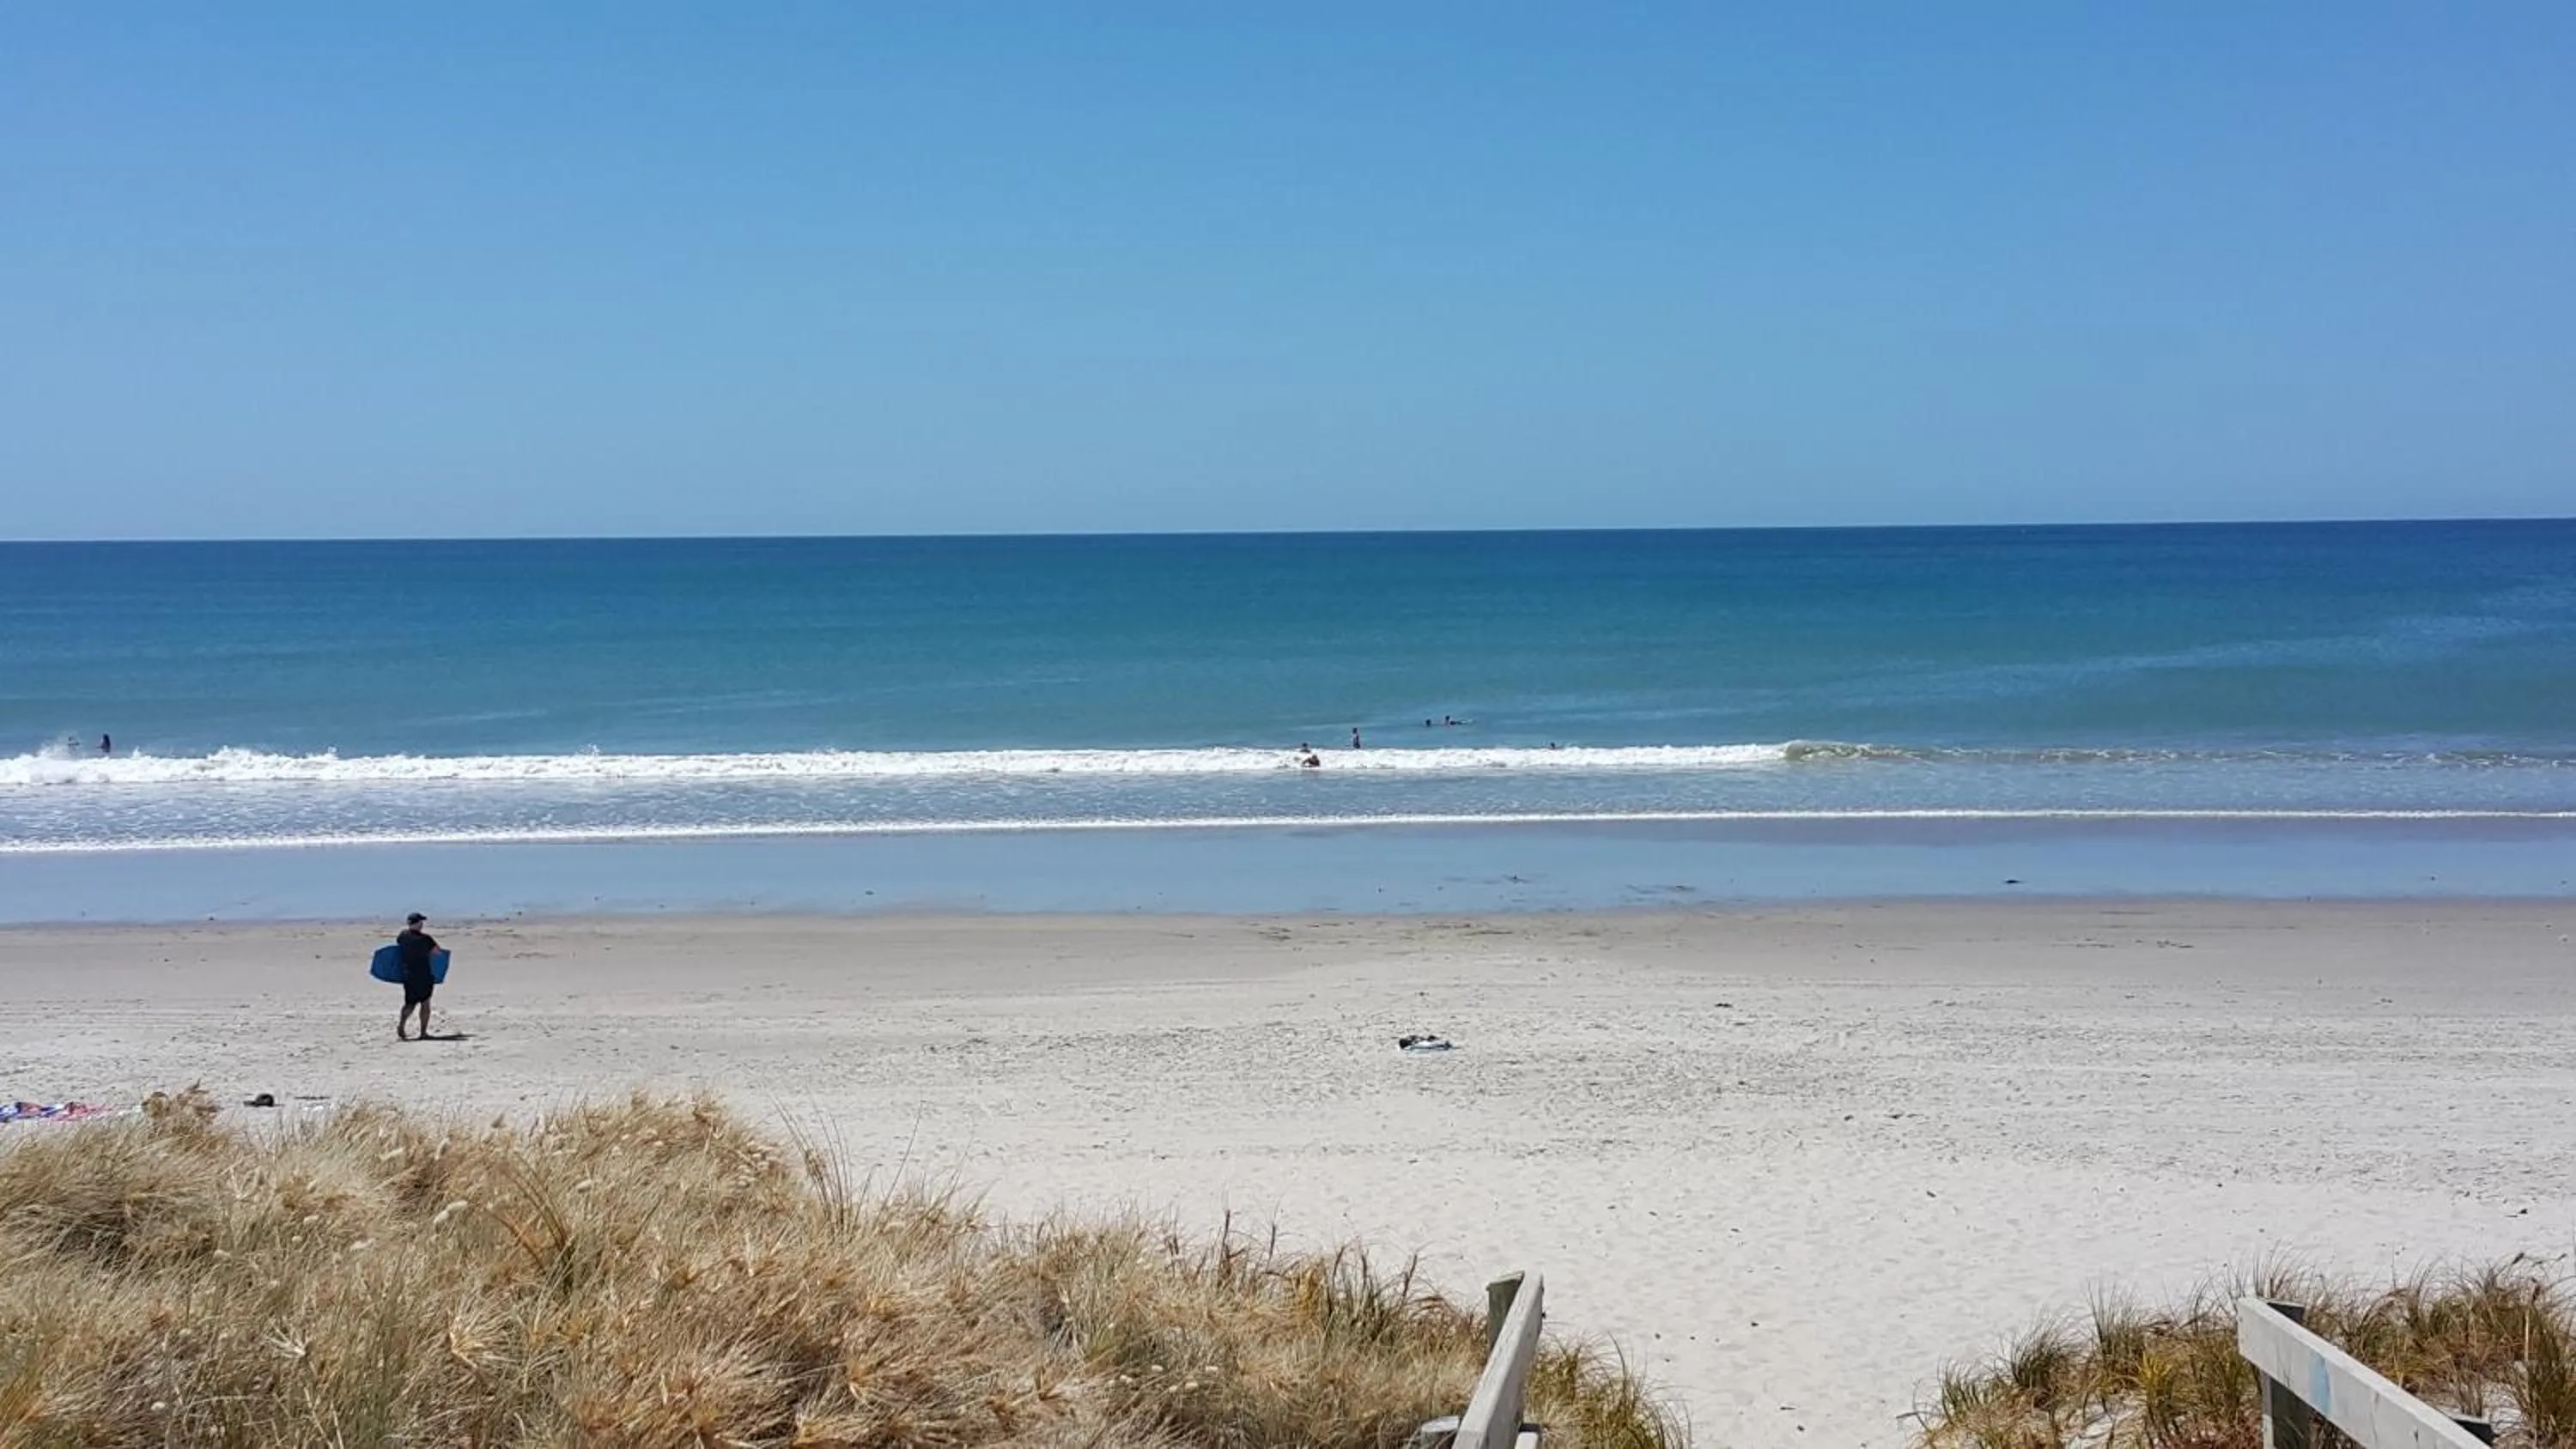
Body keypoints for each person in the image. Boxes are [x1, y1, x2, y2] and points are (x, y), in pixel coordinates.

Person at [396, 912, 441, 1041]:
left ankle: (401, 1025)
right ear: (416, 923)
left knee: (409, 1003)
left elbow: (398, 946)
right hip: (423, 975)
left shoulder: (403, 936)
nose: (422, 924)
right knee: (425, 1002)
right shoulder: (425, 939)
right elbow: (437, 952)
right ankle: (423, 1032)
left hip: (408, 975)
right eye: (420, 922)